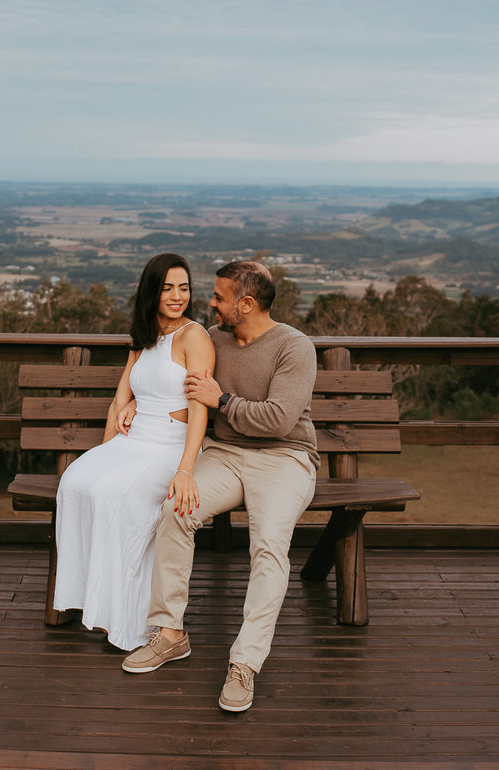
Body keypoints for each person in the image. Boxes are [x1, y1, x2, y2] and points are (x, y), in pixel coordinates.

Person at [119, 260, 319, 713]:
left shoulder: (294, 347)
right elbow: (162, 368)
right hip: (225, 456)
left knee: (268, 545)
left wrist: (223, 400)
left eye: (219, 297)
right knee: (175, 510)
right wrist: (134, 405)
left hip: (284, 459)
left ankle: (245, 662)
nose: (210, 302)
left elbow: (277, 421)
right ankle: (170, 633)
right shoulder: (213, 338)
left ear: (246, 304)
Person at [50, 253, 214, 651]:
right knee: (74, 483)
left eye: (184, 287)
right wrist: (106, 454)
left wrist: (187, 468)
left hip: (171, 443)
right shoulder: (143, 337)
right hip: (133, 440)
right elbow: (118, 401)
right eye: (167, 288)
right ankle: (93, 601)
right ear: (151, 291)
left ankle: (130, 618)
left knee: (114, 496)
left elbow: (199, 408)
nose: (177, 296)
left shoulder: (194, 337)